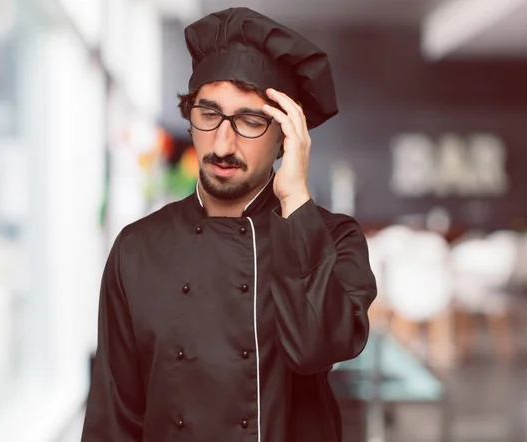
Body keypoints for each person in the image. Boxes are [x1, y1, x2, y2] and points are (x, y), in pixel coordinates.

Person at [81, 7, 376, 442]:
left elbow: (315, 348)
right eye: (209, 113)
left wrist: (294, 198)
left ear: (284, 136)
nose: (223, 142)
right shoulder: (137, 248)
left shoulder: (333, 239)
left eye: (250, 122)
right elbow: (114, 418)